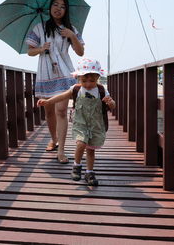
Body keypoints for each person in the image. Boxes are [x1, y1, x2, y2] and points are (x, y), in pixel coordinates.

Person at [37, 58, 116, 186]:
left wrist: (110, 102)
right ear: (78, 78)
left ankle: (89, 172)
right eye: (84, 81)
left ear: (97, 78)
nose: (88, 84)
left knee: (91, 150)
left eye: (92, 81)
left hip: (95, 125)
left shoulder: (101, 90)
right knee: (81, 143)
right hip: (80, 123)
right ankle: (76, 166)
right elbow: (62, 96)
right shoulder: (76, 89)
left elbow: (113, 106)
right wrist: (48, 101)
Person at [26, 0, 85, 164]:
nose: (58, 8)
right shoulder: (39, 28)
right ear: (50, 7)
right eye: (55, 5)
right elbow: (29, 51)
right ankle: (54, 139)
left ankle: (61, 150)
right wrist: (41, 48)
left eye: (62, 6)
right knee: (49, 111)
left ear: (66, 10)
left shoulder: (71, 29)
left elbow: (81, 52)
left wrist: (71, 36)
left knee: (61, 111)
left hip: (65, 74)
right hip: (46, 75)